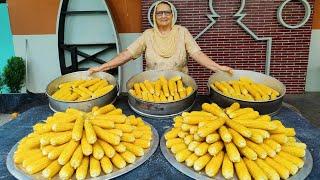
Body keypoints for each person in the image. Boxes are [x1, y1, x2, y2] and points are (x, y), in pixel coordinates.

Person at [88, 0, 233, 75]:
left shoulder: (182, 32)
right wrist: (103, 67)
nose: (163, 16)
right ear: (154, 16)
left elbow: (197, 54)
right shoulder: (148, 35)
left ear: (172, 15)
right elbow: (126, 54)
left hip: (180, 87)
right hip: (153, 88)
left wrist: (217, 67)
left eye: (167, 12)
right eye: (159, 13)